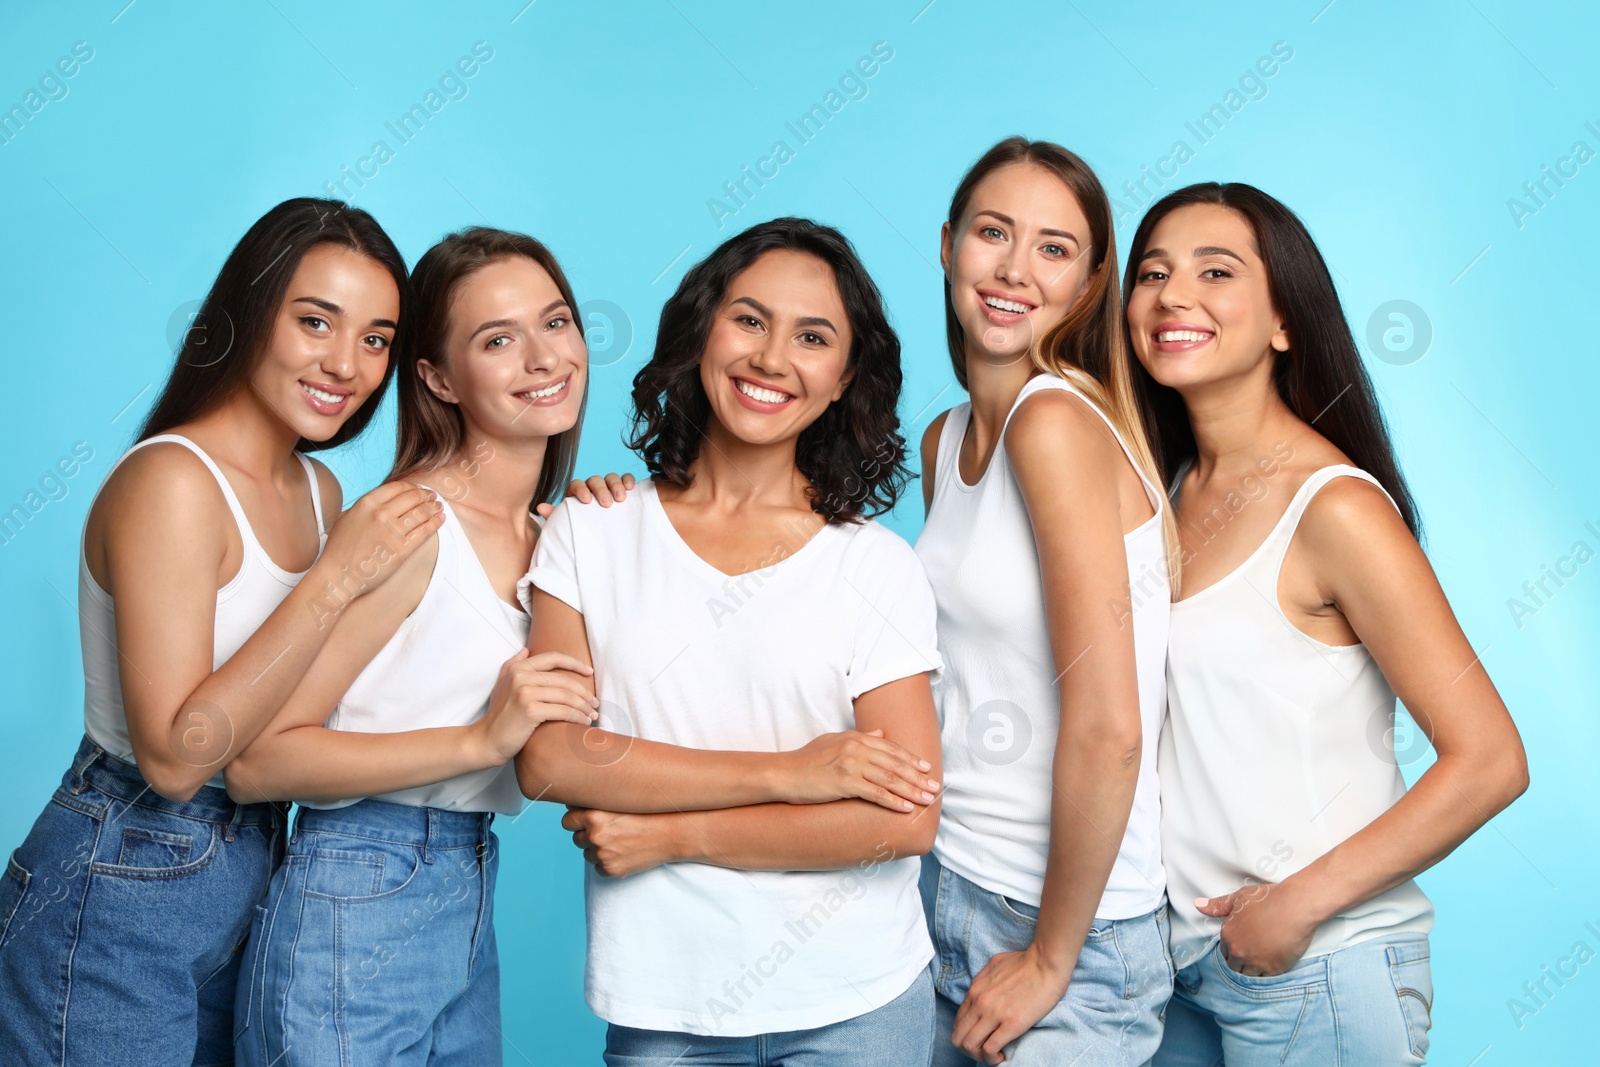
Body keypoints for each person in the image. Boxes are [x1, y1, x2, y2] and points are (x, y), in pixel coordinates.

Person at [0, 199, 441, 1064]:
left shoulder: (319, 496)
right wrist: (338, 577)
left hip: (255, 872)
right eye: (316, 320)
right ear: (247, 314)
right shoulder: (173, 480)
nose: (345, 363)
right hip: (120, 874)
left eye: (376, 338)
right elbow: (175, 754)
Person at [518, 217, 945, 1066]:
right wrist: (790, 773)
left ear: (843, 376)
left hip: (857, 1005)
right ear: (702, 330)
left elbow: (902, 820)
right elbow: (552, 759)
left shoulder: (876, 566)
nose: (772, 356)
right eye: (749, 319)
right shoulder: (591, 531)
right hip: (662, 1000)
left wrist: (677, 833)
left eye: (813, 335)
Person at [1123, 182, 1529, 1066]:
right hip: (1181, 969)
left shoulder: (1333, 506)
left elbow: (1492, 758)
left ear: (1284, 322)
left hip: (1323, 965)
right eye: (1151, 272)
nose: (1171, 295)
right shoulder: (1162, 494)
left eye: (1215, 271)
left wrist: (1299, 904)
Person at [225, 227, 601, 1065]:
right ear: (437, 377)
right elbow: (258, 761)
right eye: (498, 340)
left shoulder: (561, 537)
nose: (544, 358)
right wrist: (478, 740)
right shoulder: (408, 526)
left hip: (466, 884)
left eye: (558, 322)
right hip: (357, 886)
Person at [914, 137, 1177, 1066]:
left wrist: (1052, 955)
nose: (1014, 269)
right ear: (948, 244)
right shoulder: (943, 441)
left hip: (1065, 925)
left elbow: (1111, 725)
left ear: (1089, 282)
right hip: (943, 881)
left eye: (1054, 248)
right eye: (993, 232)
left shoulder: (1054, 419)